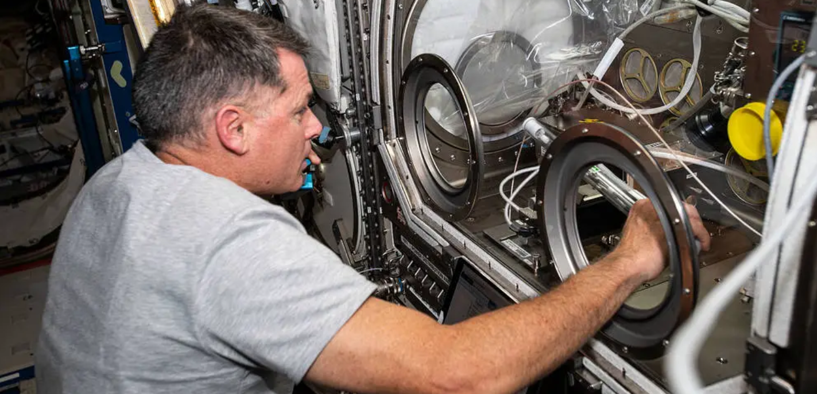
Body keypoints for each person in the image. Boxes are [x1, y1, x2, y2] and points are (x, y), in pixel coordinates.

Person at [36, 4, 711, 394]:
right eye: (300, 109)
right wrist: (625, 263)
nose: (316, 129)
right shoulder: (227, 242)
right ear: (232, 130)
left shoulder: (118, 184)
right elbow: (461, 378)